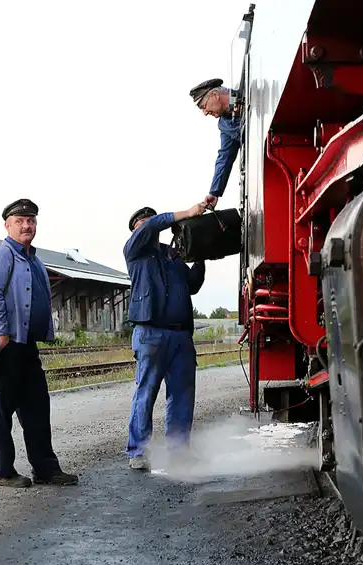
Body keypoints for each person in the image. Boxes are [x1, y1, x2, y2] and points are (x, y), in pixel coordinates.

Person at [0, 198, 78, 488]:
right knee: (3, 410)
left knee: (37, 407)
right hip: (9, 345)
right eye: (20, 221)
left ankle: (46, 469)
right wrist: (2, 335)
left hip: (27, 346)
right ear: (7, 225)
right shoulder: (2, 255)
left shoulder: (33, 258)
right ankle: (4, 472)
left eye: (31, 220)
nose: (27, 225)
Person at [124, 203, 207, 470]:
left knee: (182, 394)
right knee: (146, 392)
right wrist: (186, 213)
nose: (150, 227)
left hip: (181, 336)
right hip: (151, 333)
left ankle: (179, 450)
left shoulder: (174, 257)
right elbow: (150, 226)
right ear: (138, 230)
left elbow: (192, 285)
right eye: (145, 224)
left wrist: (201, 257)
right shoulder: (135, 252)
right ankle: (137, 451)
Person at [189, 78, 242, 209]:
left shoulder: (249, 91)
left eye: (203, 106)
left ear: (215, 95)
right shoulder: (225, 126)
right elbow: (224, 158)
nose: (205, 113)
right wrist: (214, 192)